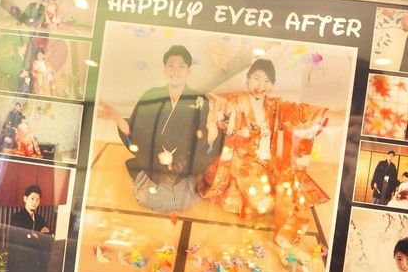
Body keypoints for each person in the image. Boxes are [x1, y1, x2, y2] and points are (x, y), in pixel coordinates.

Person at [200, 58, 338, 249]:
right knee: (265, 203)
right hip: (242, 163)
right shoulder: (236, 101)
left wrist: (326, 113)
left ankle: (285, 210)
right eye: (256, 79)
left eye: (267, 81)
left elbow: (297, 112)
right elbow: (221, 111)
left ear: (271, 85)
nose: (261, 85)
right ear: (247, 81)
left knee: (291, 181)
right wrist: (221, 113)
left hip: (266, 161)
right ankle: (283, 216)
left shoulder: (275, 105)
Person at [98, 45, 217, 213]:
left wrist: (212, 128)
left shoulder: (200, 99)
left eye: (181, 66)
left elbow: (205, 142)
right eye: (171, 65)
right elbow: (135, 132)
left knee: (181, 201)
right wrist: (116, 117)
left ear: (189, 71)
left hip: (184, 167)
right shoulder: (152, 95)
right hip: (153, 162)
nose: (175, 71)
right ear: (164, 69)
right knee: (149, 198)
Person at [7, 184, 54, 272]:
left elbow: (49, 235)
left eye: (37, 200)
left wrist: (35, 235)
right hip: (20, 261)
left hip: (37, 261)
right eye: (32, 199)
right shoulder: (17, 217)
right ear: (25, 199)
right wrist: (38, 235)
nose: (35, 202)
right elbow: (21, 238)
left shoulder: (39, 218)